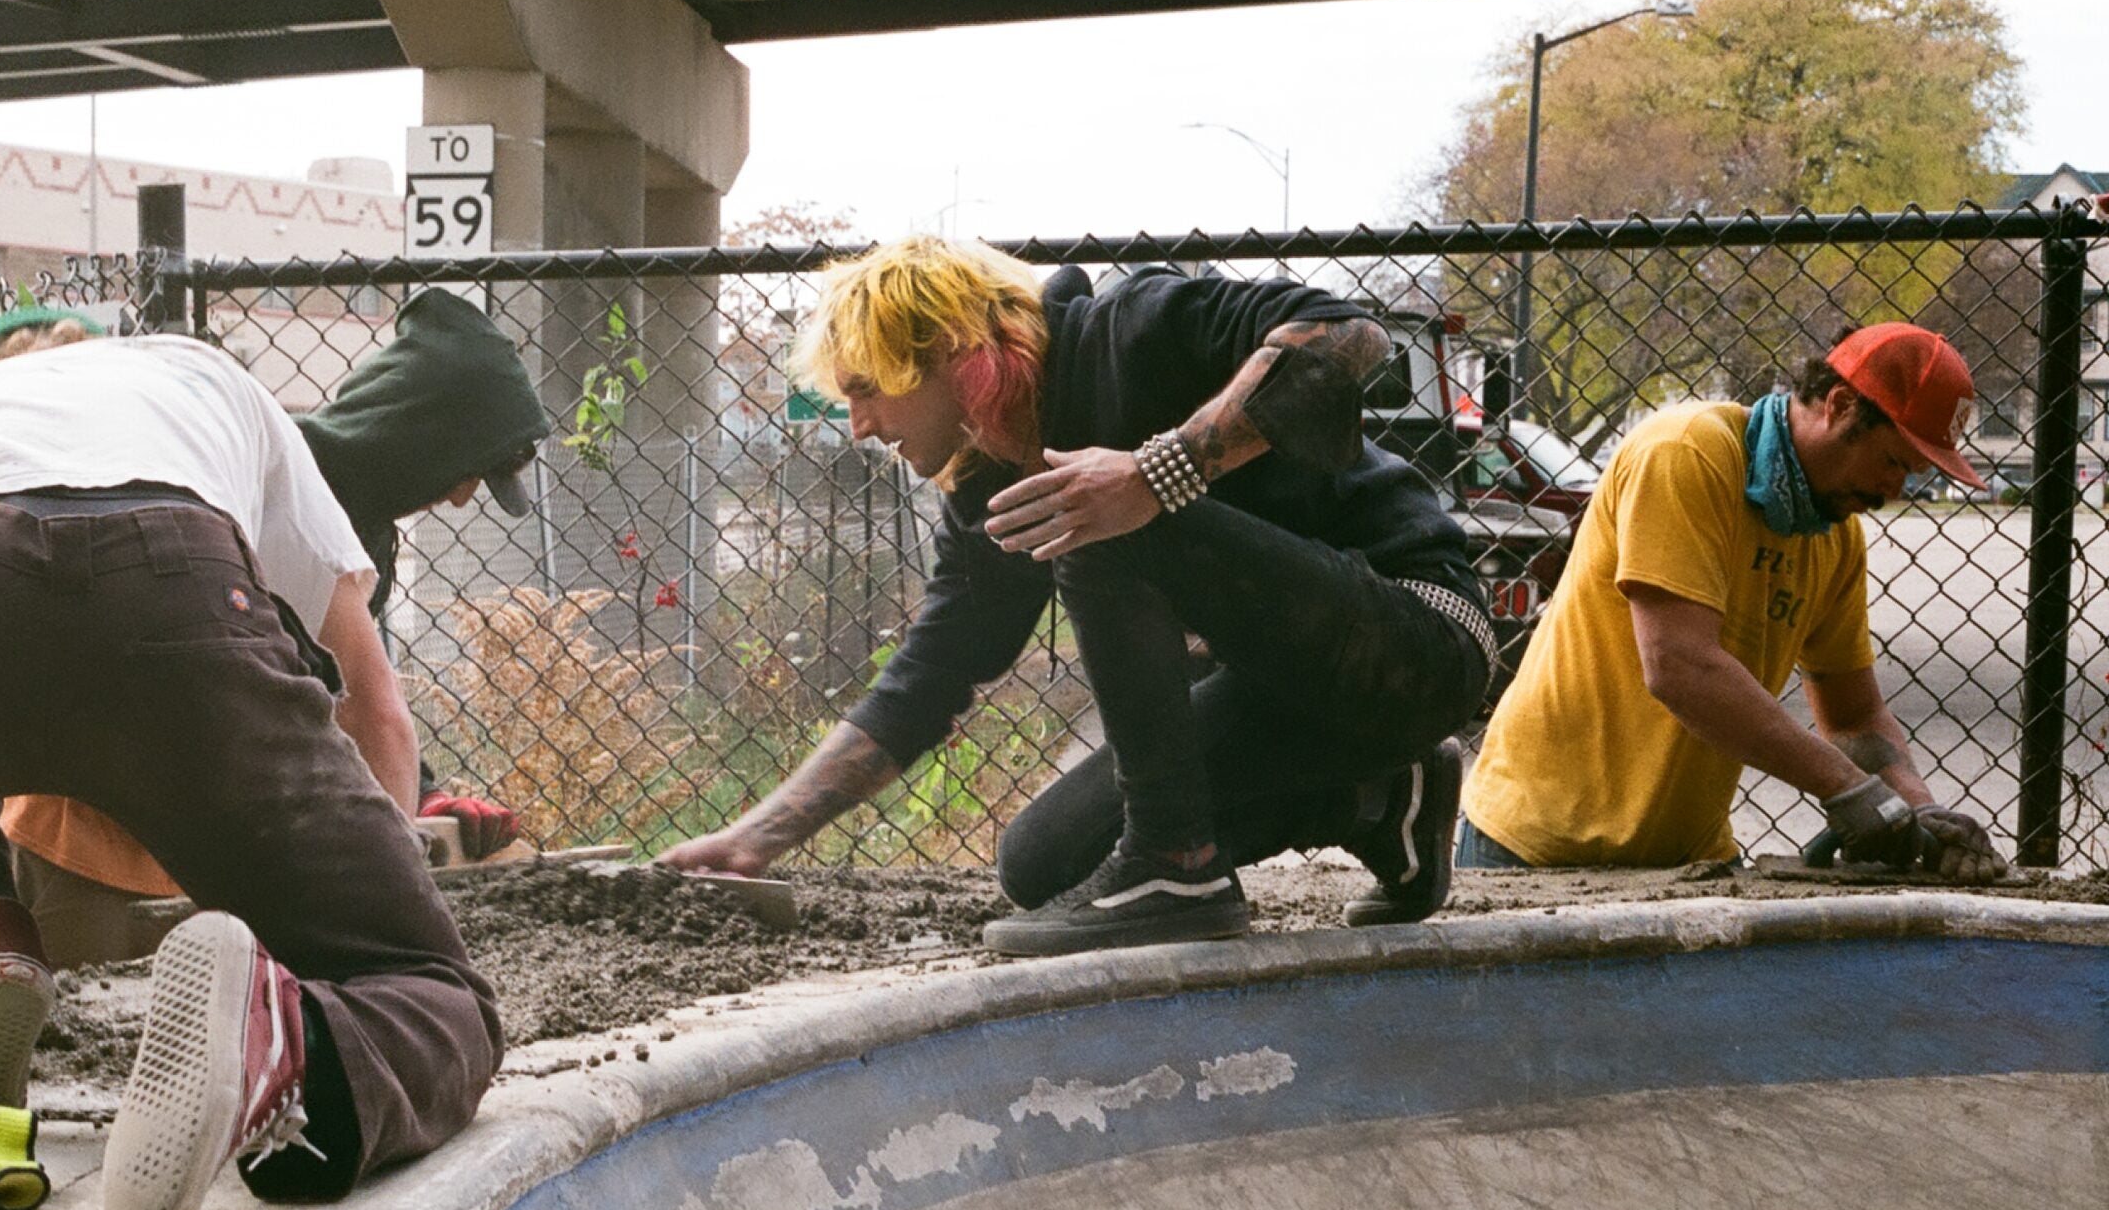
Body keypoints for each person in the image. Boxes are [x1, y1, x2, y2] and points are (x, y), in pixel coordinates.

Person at [0, 287, 550, 1210]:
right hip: (165, 586)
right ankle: (289, 1045)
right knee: (433, 990)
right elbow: (372, 701)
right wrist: (362, 905)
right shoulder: (208, 379)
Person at [660, 238, 1495, 953]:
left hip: (1418, 634)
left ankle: (1180, 869)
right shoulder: (991, 480)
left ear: (953, 353)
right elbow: (929, 675)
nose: (861, 425)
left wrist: (1157, 474)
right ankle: (1387, 798)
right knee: (1041, 863)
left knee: (1094, 506)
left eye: (868, 388)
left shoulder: (1133, 327)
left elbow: (1349, 335)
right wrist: (752, 840)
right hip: (1290, 697)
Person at [1459, 322, 2008, 880]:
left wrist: (1919, 809)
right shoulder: (1687, 453)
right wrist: (1847, 790)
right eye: (1892, 462)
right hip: (1538, 841)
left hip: (1692, 853)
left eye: (1910, 475)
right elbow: (1678, 665)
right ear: (1841, 405)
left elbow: (1854, 715)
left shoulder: (1835, 538)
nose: (1893, 492)